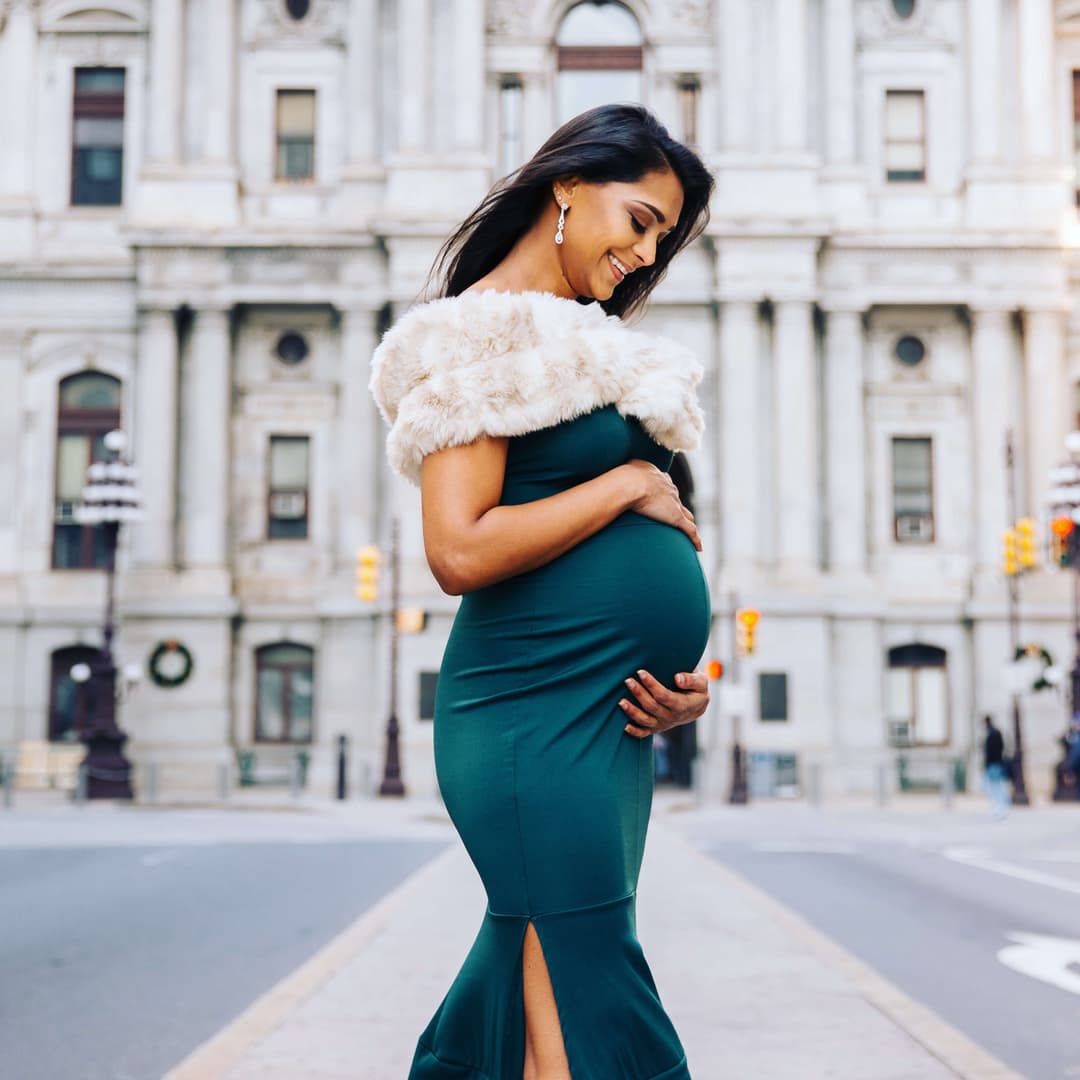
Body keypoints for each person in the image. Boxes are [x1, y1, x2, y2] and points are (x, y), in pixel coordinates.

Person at [369, 104, 715, 1079]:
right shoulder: (476, 337)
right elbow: (459, 551)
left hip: (608, 725)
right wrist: (625, 484)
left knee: (539, 970)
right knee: (590, 984)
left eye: (663, 240)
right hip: (526, 717)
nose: (645, 256)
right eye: (640, 221)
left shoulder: (597, 350)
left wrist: (686, 683)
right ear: (567, 187)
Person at [981, 714, 1010, 820]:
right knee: (994, 786)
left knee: (996, 786)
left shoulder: (993, 733)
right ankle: (1000, 807)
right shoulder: (994, 733)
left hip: (994, 764)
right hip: (995, 763)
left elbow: (993, 751)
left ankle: (1001, 807)